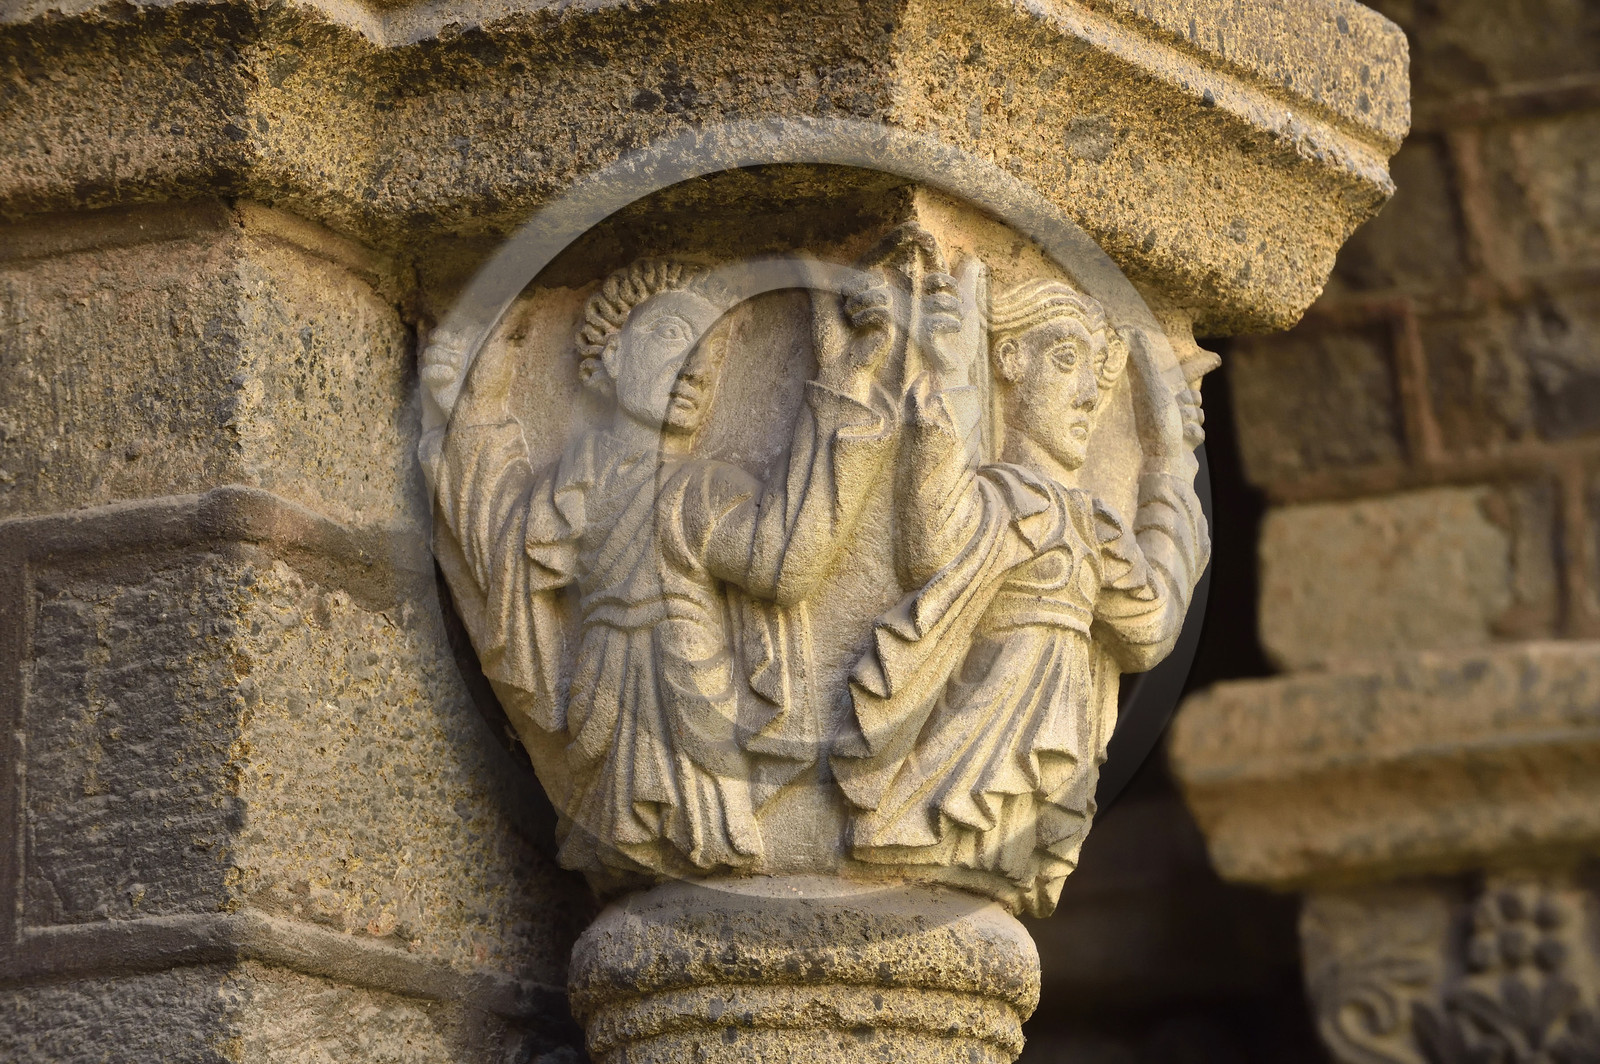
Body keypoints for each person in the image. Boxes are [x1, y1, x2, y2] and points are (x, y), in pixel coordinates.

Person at [431, 258, 898, 878]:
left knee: (701, 857)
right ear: (614, 359)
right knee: (623, 858)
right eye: (676, 338)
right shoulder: (578, 479)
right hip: (600, 700)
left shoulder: (703, 489)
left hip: (689, 699)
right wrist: (476, 406)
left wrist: (843, 386)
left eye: (714, 349)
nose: (699, 367)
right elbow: (502, 548)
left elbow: (784, 563)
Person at [833, 272, 1210, 915]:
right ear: (1011, 361)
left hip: (1053, 766)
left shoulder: (1096, 523)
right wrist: (946, 369)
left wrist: (1168, 460)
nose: (1091, 394)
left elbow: (1150, 626)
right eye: (1067, 361)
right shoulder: (997, 498)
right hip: (966, 756)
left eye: (1098, 372)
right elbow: (929, 546)